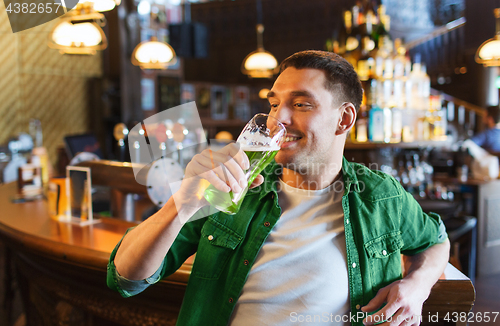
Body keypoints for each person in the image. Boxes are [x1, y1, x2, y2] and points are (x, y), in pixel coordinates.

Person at [107, 50, 450, 326]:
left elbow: (435, 242)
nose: (277, 119)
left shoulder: (379, 195)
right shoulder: (234, 185)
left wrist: (417, 286)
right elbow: (125, 278)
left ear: (344, 119)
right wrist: (180, 202)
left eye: (301, 104)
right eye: (273, 104)